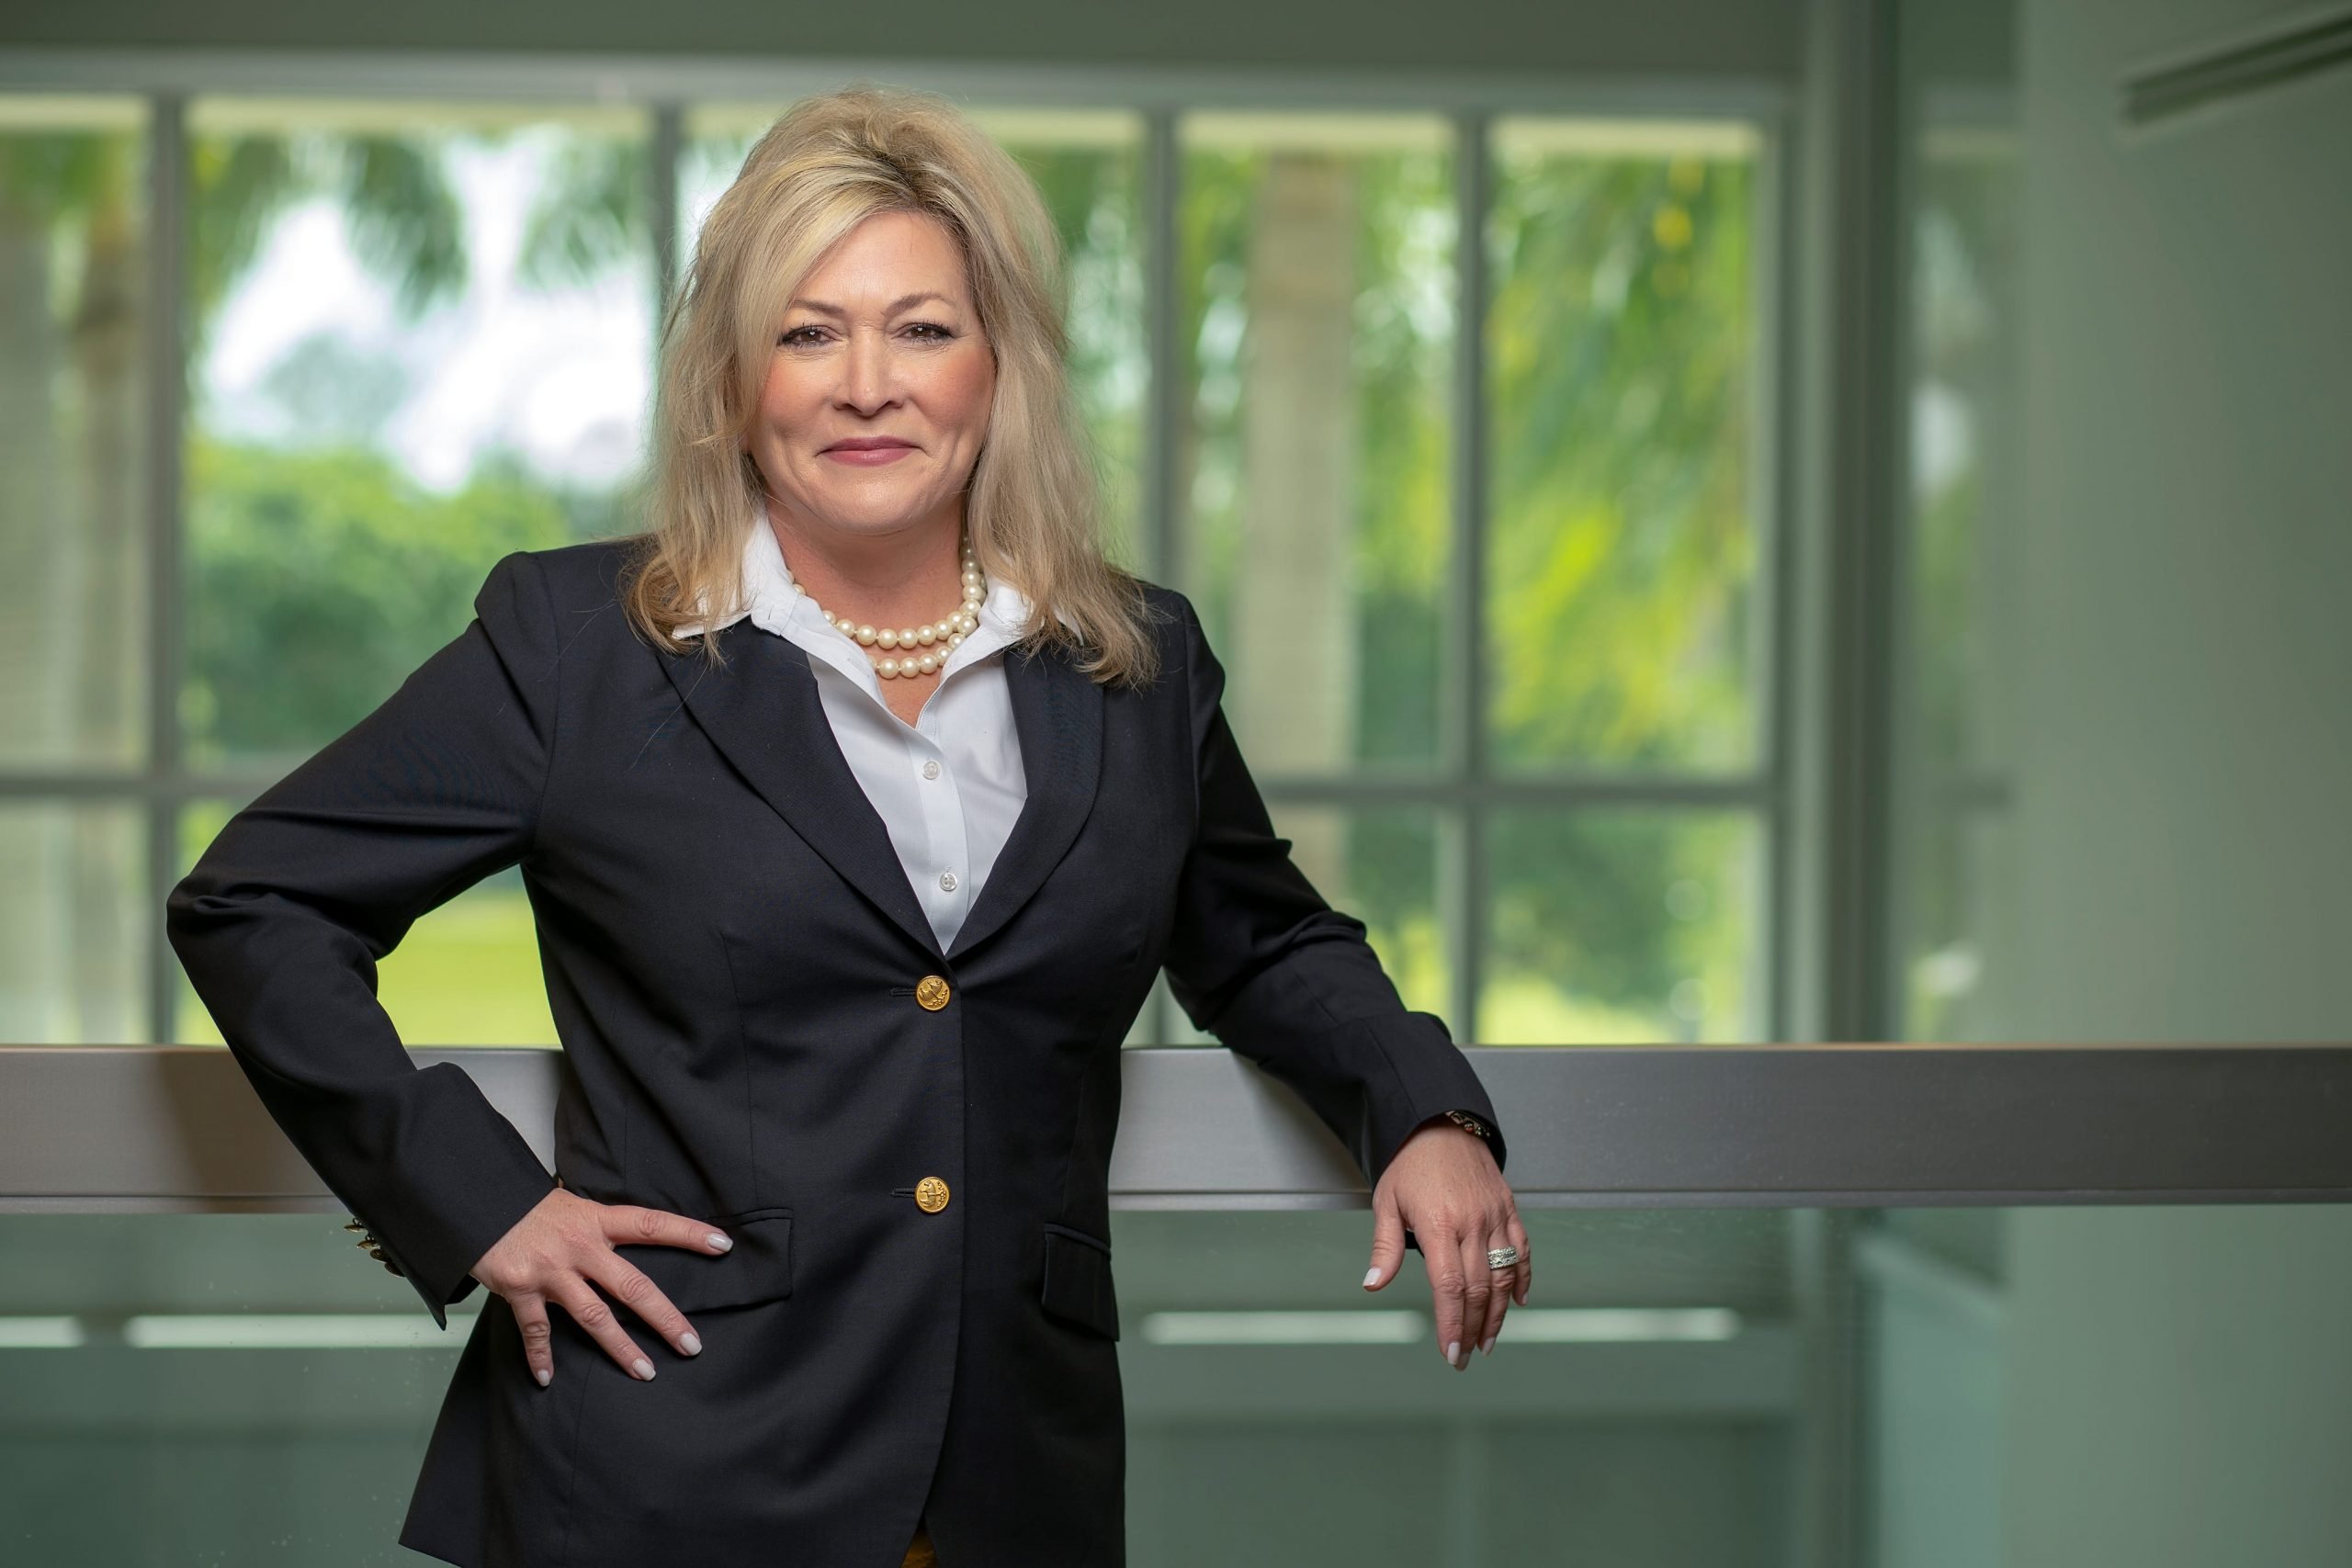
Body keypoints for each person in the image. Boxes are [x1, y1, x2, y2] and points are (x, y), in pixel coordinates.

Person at [165, 83, 1528, 1568]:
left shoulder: (1133, 662)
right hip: (653, 1481)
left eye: (923, 329)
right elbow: (257, 905)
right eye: (809, 333)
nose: (866, 383)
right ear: (734, 380)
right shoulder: (578, 645)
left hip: (1016, 1483)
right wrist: (476, 1199)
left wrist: (1426, 1110)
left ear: (999, 367)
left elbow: (1263, 943)